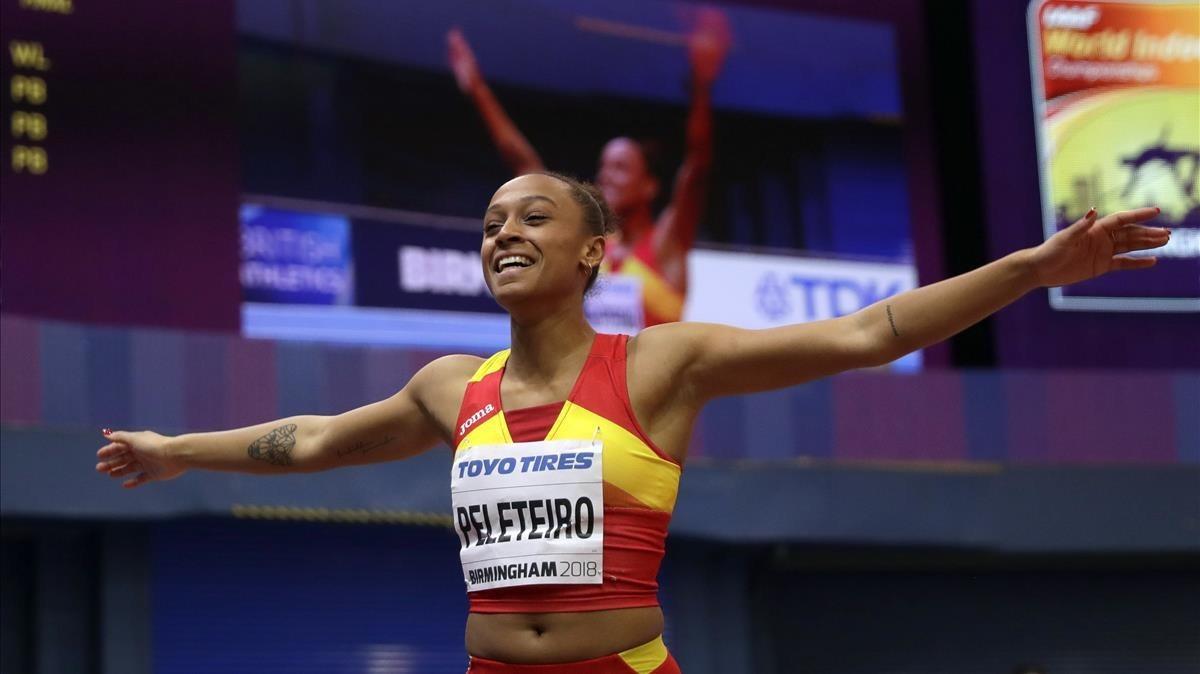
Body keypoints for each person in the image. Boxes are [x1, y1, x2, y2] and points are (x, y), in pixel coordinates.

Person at [96, 172, 1167, 672]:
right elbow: (317, 438)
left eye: (532, 217)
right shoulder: (446, 386)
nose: (502, 232)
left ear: (593, 251)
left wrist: (1038, 267)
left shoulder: (662, 363)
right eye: (489, 224)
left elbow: (870, 331)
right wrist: (173, 449)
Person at [446, 9, 731, 326]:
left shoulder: (667, 243)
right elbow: (526, 166)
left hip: (655, 377)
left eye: (621, 168)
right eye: (604, 166)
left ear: (649, 185)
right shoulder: (590, 247)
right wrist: (477, 89)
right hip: (592, 377)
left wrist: (703, 86)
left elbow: (698, 164)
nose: (606, 175)